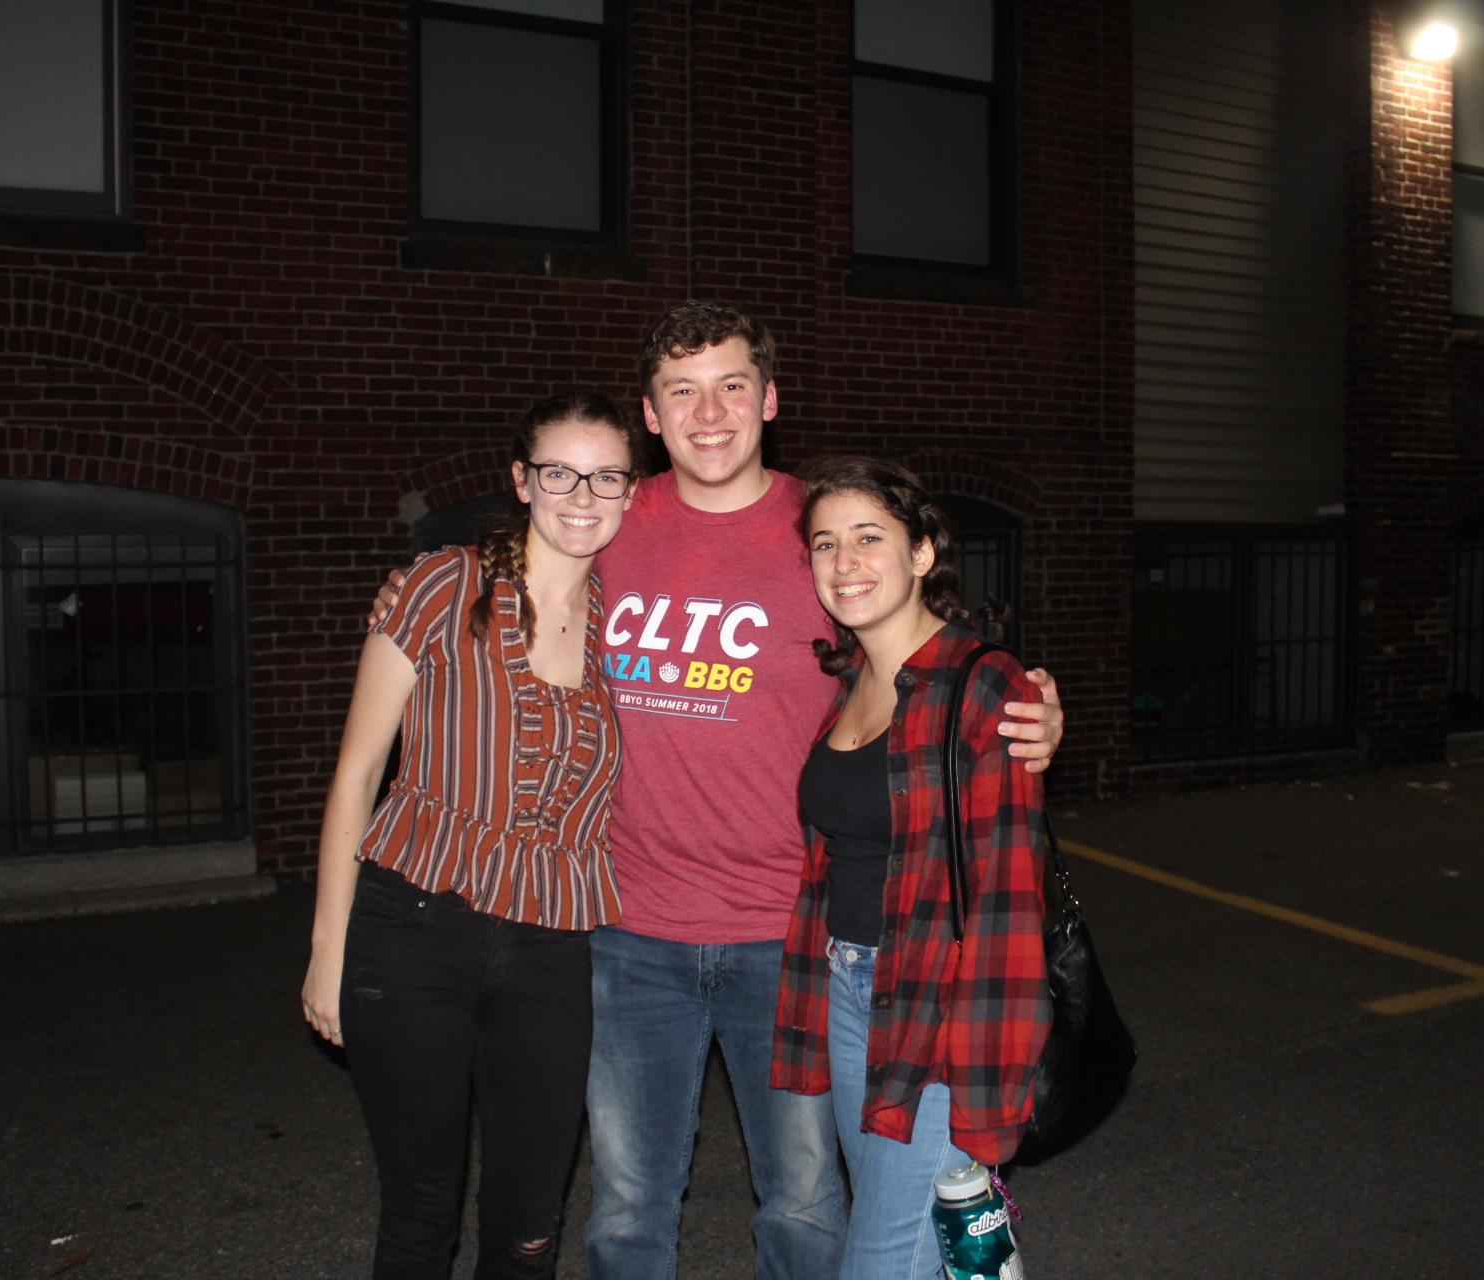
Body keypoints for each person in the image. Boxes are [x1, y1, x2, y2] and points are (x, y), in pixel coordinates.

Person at [375, 302, 1065, 1280]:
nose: (710, 412)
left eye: (733, 384)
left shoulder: (818, 527)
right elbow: (498, 603)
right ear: (651, 415)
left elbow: (921, 638)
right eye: (681, 390)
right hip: (628, 927)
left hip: (789, 936)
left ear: (770, 399)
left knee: (804, 1197)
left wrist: (1031, 695)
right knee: (625, 1199)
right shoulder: (608, 523)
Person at [301, 392, 642, 1279]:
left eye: (606, 475)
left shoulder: (631, 626)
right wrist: (326, 950)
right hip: (411, 929)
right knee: (420, 1213)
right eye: (559, 472)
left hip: (550, 952)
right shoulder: (442, 585)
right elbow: (356, 774)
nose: (582, 495)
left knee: (531, 1224)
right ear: (521, 480)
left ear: (632, 491)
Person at [772, 456, 1050, 1279]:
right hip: (849, 989)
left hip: (938, 1004)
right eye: (825, 544)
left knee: (884, 1255)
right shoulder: (851, 679)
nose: (844, 562)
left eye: (868, 538)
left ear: (924, 550)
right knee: (910, 1236)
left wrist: (988, 1085)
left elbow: (1008, 904)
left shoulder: (984, 686)